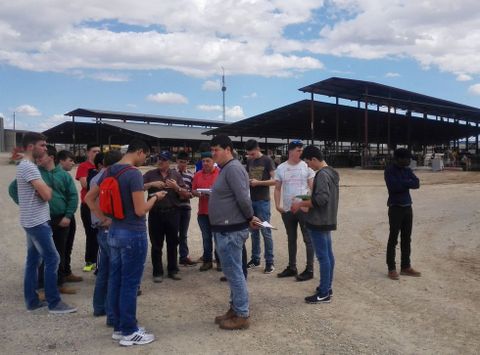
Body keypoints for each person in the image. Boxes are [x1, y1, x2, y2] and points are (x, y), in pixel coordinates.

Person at [85, 139, 167, 346]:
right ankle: (129, 331)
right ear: (140, 152)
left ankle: (118, 325)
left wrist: (104, 218)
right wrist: (156, 197)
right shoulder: (133, 174)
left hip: (114, 232)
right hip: (133, 234)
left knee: (116, 279)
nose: (144, 160)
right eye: (145, 156)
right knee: (130, 283)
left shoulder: (109, 170)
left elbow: (88, 198)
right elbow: (140, 210)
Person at [16, 132, 77, 314]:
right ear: (30, 146)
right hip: (37, 221)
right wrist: (45, 190)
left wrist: (43, 190)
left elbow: (44, 193)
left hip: (31, 220)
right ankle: (54, 303)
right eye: (42, 145)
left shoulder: (25, 165)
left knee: (33, 260)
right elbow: (48, 195)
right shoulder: (30, 168)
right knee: (53, 258)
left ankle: (32, 301)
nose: (45, 148)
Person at [208, 135, 261, 330]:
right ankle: (234, 309)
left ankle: (242, 314)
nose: (213, 154)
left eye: (216, 150)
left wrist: (249, 217)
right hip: (225, 229)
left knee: (235, 273)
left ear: (228, 149)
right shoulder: (226, 169)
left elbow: (243, 198)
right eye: (212, 150)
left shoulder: (234, 169)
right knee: (232, 273)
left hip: (231, 230)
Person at [291, 146, 339, 303]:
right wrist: (304, 198)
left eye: (308, 162)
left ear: (314, 159)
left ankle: (324, 292)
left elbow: (321, 199)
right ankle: (327, 286)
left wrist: (300, 204)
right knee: (328, 255)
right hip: (327, 220)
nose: (308, 166)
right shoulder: (332, 172)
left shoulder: (322, 175)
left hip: (319, 221)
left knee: (323, 257)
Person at [143, 151, 190, 282]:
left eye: (163, 160)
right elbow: (138, 187)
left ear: (169, 162)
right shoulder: (150, 174)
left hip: (173, 213)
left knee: (172, 243)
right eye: (159, 159)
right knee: (156, 244)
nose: (160, 162)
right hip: (155, 214)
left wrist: (176, 187)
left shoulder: (176, 175)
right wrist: (152, 184)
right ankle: (157, 272)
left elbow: (186, 195)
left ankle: (172, 270)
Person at [274, 140, 315, 281]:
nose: (301, 153)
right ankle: (292, 267)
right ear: (290, 151)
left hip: (303, 210)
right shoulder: (281, 168)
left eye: (301, 150)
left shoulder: (306, 167)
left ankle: (309, 269)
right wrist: (277, 205)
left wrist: (306, 204)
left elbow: (313, 188)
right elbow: (277, 188)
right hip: (288, 210)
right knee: (291, 239)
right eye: (298, 150)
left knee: (308, 239)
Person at [89, 150, 123, 323]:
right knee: (114, 272)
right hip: (108, 229)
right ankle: (112, 314)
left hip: (101, 229)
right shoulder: (109, 178)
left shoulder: (98, 177)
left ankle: (99, 307)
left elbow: (89, 199)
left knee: (105, 270)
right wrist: (104, 218)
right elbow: (90, 199)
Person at [384, 148, 421, 280]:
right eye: (407, 158)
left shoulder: (407, 170)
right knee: (393, 239)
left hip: (407, 207)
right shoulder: (389, 171)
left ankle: (405, 266)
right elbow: (394, 187)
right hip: (395, 208)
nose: (409, 160)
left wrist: (403, 183)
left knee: (407, 238)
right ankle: (391, 268)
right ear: (399, 159)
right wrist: (407, 183)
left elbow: (417, 183)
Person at [244, 139, 276, 273]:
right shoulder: (249, 161)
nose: (250, 156)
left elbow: (275, 181)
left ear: (258, 149)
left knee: (266, 231)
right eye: (249, 154)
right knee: (254, 231)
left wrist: (259, 183)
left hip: (263, 201)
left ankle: (270, 262)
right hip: (251, 200)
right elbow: (245, 175)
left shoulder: (268, 161)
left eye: (252, 153)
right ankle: (255, 259)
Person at [191, 151, 221, 271]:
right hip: (203, 212)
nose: (205, 163)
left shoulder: (220, 173)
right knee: (206, 238)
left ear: (213, 161)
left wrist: (214, 193)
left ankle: (219, 261)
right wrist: (196, 193)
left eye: (208, 161)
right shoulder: (197, 174)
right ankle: (207, 261)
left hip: (217, 212)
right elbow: (193, 190)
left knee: (218, 238)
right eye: (203, 161)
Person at [57, 150, 83, 283]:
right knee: (60, 248)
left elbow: (72, 196)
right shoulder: (56, 175)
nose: (73, 163)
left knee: (67, 245)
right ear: (61, 160)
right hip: (61, 216)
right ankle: (60, 278)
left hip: (68, 214)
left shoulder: (64, 175)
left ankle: (66, 271)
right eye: (70, 160)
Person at [75, 143, 101, 272]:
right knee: (91, 234)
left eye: (98, 151)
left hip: (100, 205)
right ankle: (90, 260)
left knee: (101, 233)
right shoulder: (84, 166)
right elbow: (85, 184)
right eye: (94, 151)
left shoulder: (101, 166)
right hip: (88, 205)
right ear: (88, 153)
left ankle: (99, 260)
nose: (96, 153)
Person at [175, 151, 197, 266]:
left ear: (188, 162)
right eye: (181, 162)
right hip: (173, 207)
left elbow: (193, 191)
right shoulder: (172, 173)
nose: (183, 164)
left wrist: (188, 194)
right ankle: (172, 257)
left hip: (186, 207)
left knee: (183, 233)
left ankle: (183, 256)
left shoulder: (191, 175)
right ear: (177, 161)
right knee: (173, 233)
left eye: (185, 162)